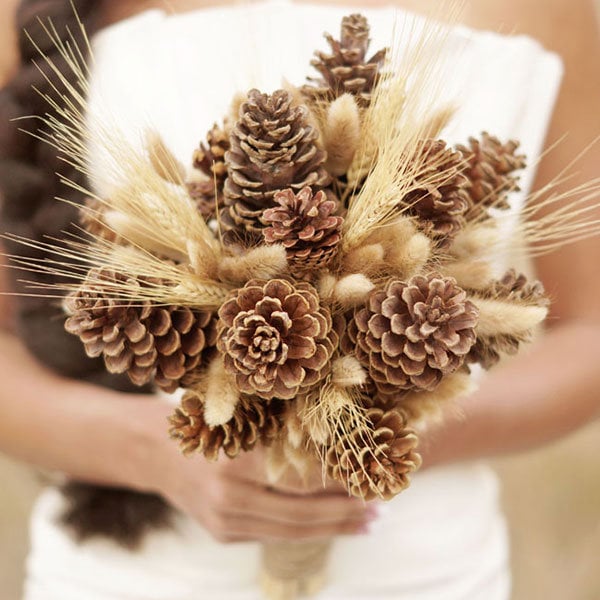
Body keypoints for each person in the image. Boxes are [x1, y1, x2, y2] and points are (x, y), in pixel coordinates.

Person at [0, 0, 598, 599]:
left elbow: (590, 331)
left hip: (419, 570)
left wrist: (384, 437)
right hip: (130, 573)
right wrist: (149, 451)